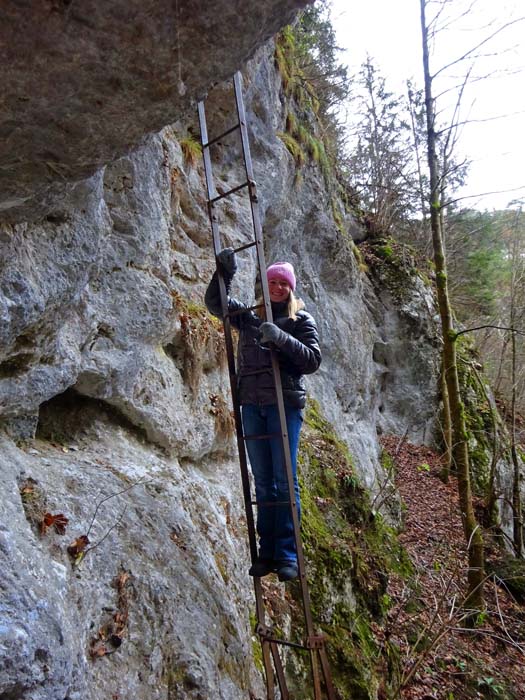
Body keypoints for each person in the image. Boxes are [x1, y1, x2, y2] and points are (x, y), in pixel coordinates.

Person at [204, 248, 321, 581]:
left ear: (291, 288)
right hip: (252, 406)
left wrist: (281, 337)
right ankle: (267, 552)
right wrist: (222, 275)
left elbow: (312, 360)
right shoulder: (252, 316)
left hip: (284, 407)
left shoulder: (301, 319)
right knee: (265, 484)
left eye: (284, 284)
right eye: (273, 282)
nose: (278, 288)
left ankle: (287, 554)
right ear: (265, 285)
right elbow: (218, 306)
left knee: (285, 483)